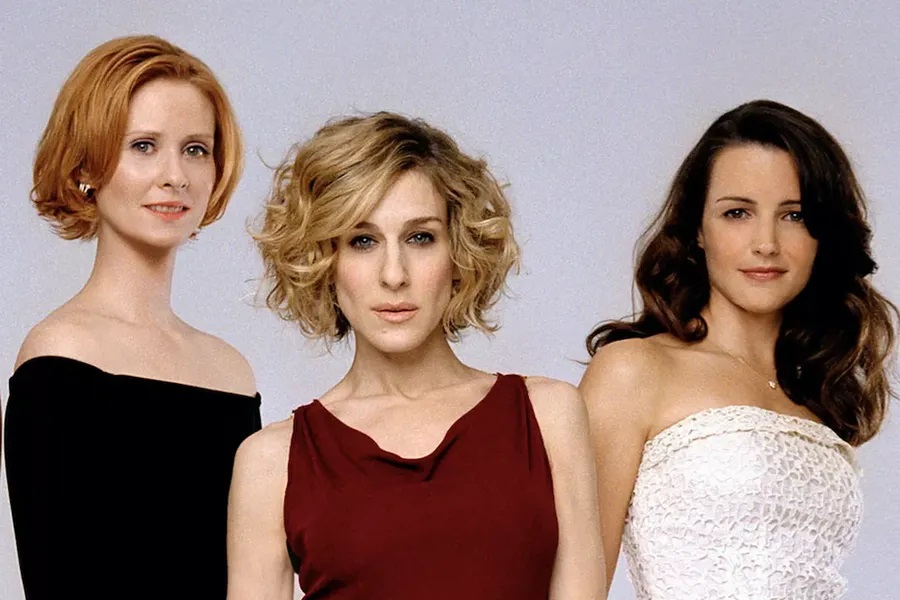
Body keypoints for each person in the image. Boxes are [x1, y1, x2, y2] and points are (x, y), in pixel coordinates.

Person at [227, 112, 605, 600]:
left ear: (459, 251)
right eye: (362, 241)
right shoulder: (272, 461)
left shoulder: (548, 416)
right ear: (324, 259)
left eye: (420, 237)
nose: (394, 275)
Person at [579, 99, 898, 599]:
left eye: (794, 215)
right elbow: (576, 584)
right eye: (737, 213)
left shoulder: (816, 391)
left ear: (823, 235)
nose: (766, 243)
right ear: (697, 229)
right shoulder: (633, 371)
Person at [4, 35, 261, 599]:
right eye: (144, 145)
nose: (175, 175)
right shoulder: (59, 356)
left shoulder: (231, 372)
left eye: (196, 149)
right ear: (85, 167)